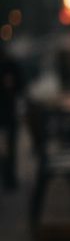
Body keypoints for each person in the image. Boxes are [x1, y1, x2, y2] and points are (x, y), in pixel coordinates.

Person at [0, 40, 24, 190]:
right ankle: (8, 177)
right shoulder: (10, 65)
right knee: (8, 147)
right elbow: (21, 87)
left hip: (8, 113)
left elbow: (20, 86)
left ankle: (9, 177)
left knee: (8, 147)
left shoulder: (10, 65)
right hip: (8, 113)